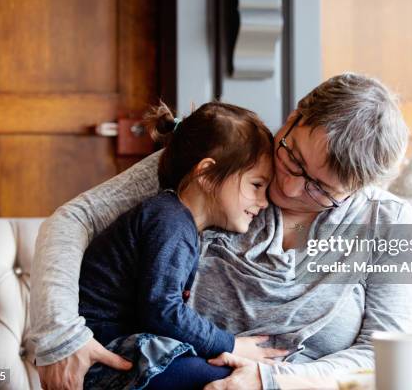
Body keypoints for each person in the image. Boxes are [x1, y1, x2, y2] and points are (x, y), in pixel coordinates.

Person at [30, 73, 412, 390]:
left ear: (357, 190)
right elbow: (74, 218)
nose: (287, 187)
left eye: (320, 189)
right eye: (293, 158)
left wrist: (273, 381)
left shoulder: (387, 223)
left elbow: (382, 355)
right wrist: (60, 337)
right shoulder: (229, 162)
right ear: (294, 115)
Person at [77, 101, 288, 389]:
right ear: (207, 174)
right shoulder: (170, 222)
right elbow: (162, 310)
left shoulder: (177, 220)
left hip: (123, 347)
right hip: (103, 355)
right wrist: (230, 345)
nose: (264, 202)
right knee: (227, 379)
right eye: (256, 185)